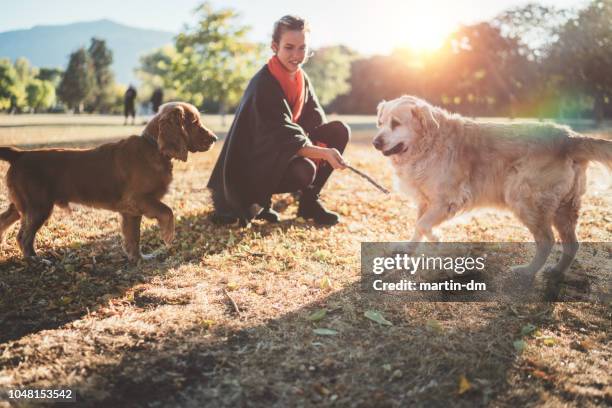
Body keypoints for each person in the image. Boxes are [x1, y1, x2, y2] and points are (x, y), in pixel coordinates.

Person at [207, 15, 350, 226]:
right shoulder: (264, 83)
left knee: (338, 131)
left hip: (280, 154)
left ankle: (309, 202)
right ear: (275, 46)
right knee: (305, 170)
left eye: (302, 48)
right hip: (253, 163)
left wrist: (328, 146)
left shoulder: (301, 78)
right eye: (289, 47)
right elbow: (283, 136)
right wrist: (323, 153)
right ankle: (256, 200)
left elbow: (316, 121)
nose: (296, 55)